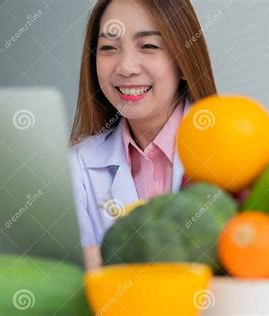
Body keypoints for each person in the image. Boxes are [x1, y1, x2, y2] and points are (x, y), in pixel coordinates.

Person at [69, 0, 217, 271]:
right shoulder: (77, 166)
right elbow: (66, 275)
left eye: (148, 46)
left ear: (184, 61)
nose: (126, 67)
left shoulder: (231, 145)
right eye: (108, 48)